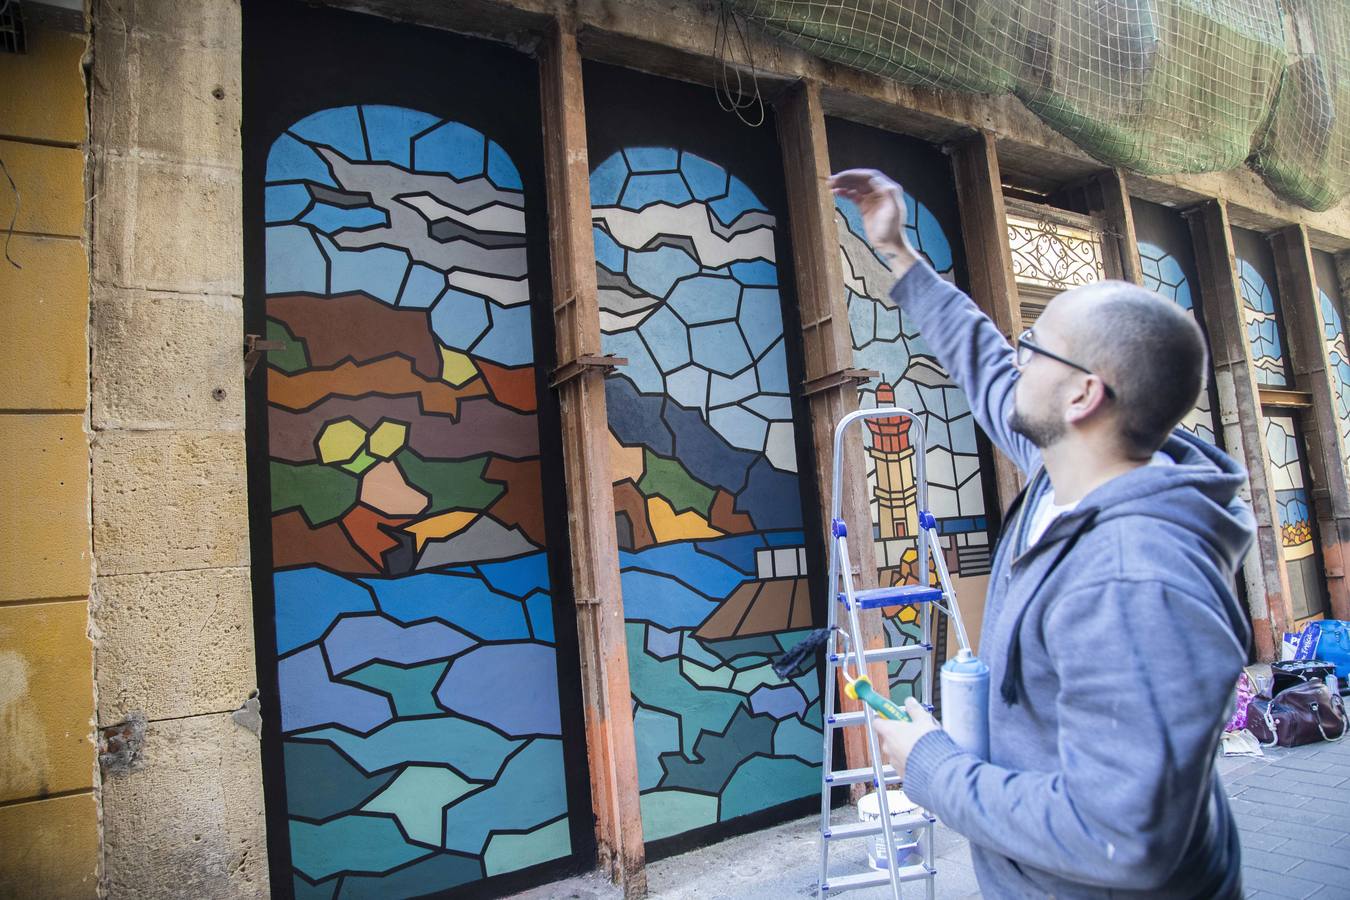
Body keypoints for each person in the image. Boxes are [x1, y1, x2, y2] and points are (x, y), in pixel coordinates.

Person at [829, 169, 1254, 899]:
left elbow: (1120, 839)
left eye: (1033, 346)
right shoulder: (1068, 471)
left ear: (1085, 395)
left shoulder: (1138, 580)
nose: (1014, 355)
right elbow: (986, 368)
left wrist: (928, 764)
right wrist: (900, 254)